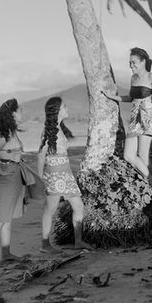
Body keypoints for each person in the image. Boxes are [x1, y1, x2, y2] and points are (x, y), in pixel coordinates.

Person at [102, 47, 152, 189]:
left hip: (148, 119)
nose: (131, 66)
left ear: (143, 61)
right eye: (130, 63)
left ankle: (149, 191)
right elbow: (131, 98)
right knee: (128, 156)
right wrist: (111, 97)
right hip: (134, 120)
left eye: (134, 62)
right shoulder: (133, 78)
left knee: (143, 156)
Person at [37, 96, 92, 254]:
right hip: (53, 174)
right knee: (50, 209)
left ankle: (78, 241)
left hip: (66, 174)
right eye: (65, 107)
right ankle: (45, 244)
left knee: (79, 207)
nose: (67, 109)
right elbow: (41, 157)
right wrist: (41, 180)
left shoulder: (60, 128)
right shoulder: (48, 132)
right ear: (57, 111)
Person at [0, 98, 29, 267]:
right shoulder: (7, 134)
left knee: (7, 217)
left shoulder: (12, 131)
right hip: (8, 176)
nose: (22, 112)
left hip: (14, 174)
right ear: (12, 114)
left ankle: (6, 254)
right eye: (20, 110)